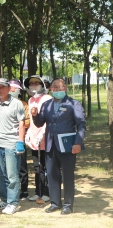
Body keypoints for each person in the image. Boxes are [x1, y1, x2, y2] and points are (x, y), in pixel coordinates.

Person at [32, 78, 86, 215]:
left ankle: (68, 205)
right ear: (51, 89)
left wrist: (78, 143)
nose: (57, 89)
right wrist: (35, 115)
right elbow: (39, 123)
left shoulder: (73, 103)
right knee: (52, 174)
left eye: (60, 87)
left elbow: (81, 124)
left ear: (65, 88)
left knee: (67, 175)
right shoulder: (47, 105)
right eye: (54, 87)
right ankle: (55, 203)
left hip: (68, 146)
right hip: (50, 145)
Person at [0, 78, 26, 215]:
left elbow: (21, 123)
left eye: (2, 87)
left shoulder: (16, 104)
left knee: (12, 175)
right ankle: (4, 199)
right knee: (1, 175)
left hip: (11, 144)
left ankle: (13, 202)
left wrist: (20, 142)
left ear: (9, 88)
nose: (0, 89)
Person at [24, 75, 52, 204]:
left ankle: (47, 191)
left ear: (42, 84)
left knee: (45, 166)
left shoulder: (47, 99)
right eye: (31, 83)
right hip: (35, 138)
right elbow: (30, 118)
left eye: (36, 82)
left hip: (46, 137)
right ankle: (38, 192)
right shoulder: (30, 100)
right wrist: (29, 133)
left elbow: (48, 119)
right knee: (37, 166)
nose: (34, 85)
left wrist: (43, 133)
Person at [9, 79, 31, 201]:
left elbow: (28, 121)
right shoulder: (4, 103)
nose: (12, 90)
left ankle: (24, 190)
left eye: (14, 88)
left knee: (22, 165)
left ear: (19, 90)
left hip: (19, 138)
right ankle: (12, 189)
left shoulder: (24, 104)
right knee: (9, 167)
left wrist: (19, 124)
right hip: (7, 139)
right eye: (10, 88)